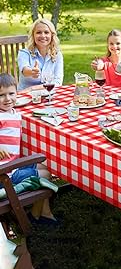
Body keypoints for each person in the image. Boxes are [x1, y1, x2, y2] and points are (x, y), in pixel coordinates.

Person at [0, 73, 57, 223]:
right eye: (1, 95)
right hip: (5, 176)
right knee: (44, 175)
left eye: (11, 93)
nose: (7, 99)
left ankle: (41, 212)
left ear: (17, 93)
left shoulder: (14, 114)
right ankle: (36, 215)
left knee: (45, 167)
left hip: (12, 166)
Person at [17, 18, 63, 91]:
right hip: (26, 96)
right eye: (38, 32)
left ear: (52, 35)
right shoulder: (24, 53)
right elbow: (25, 71)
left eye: (46, 32)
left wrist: (33, 88)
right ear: (33, 35)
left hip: (48, 94)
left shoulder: (57, 54)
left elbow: (57, 82)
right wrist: (32, 72)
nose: (43, 35)